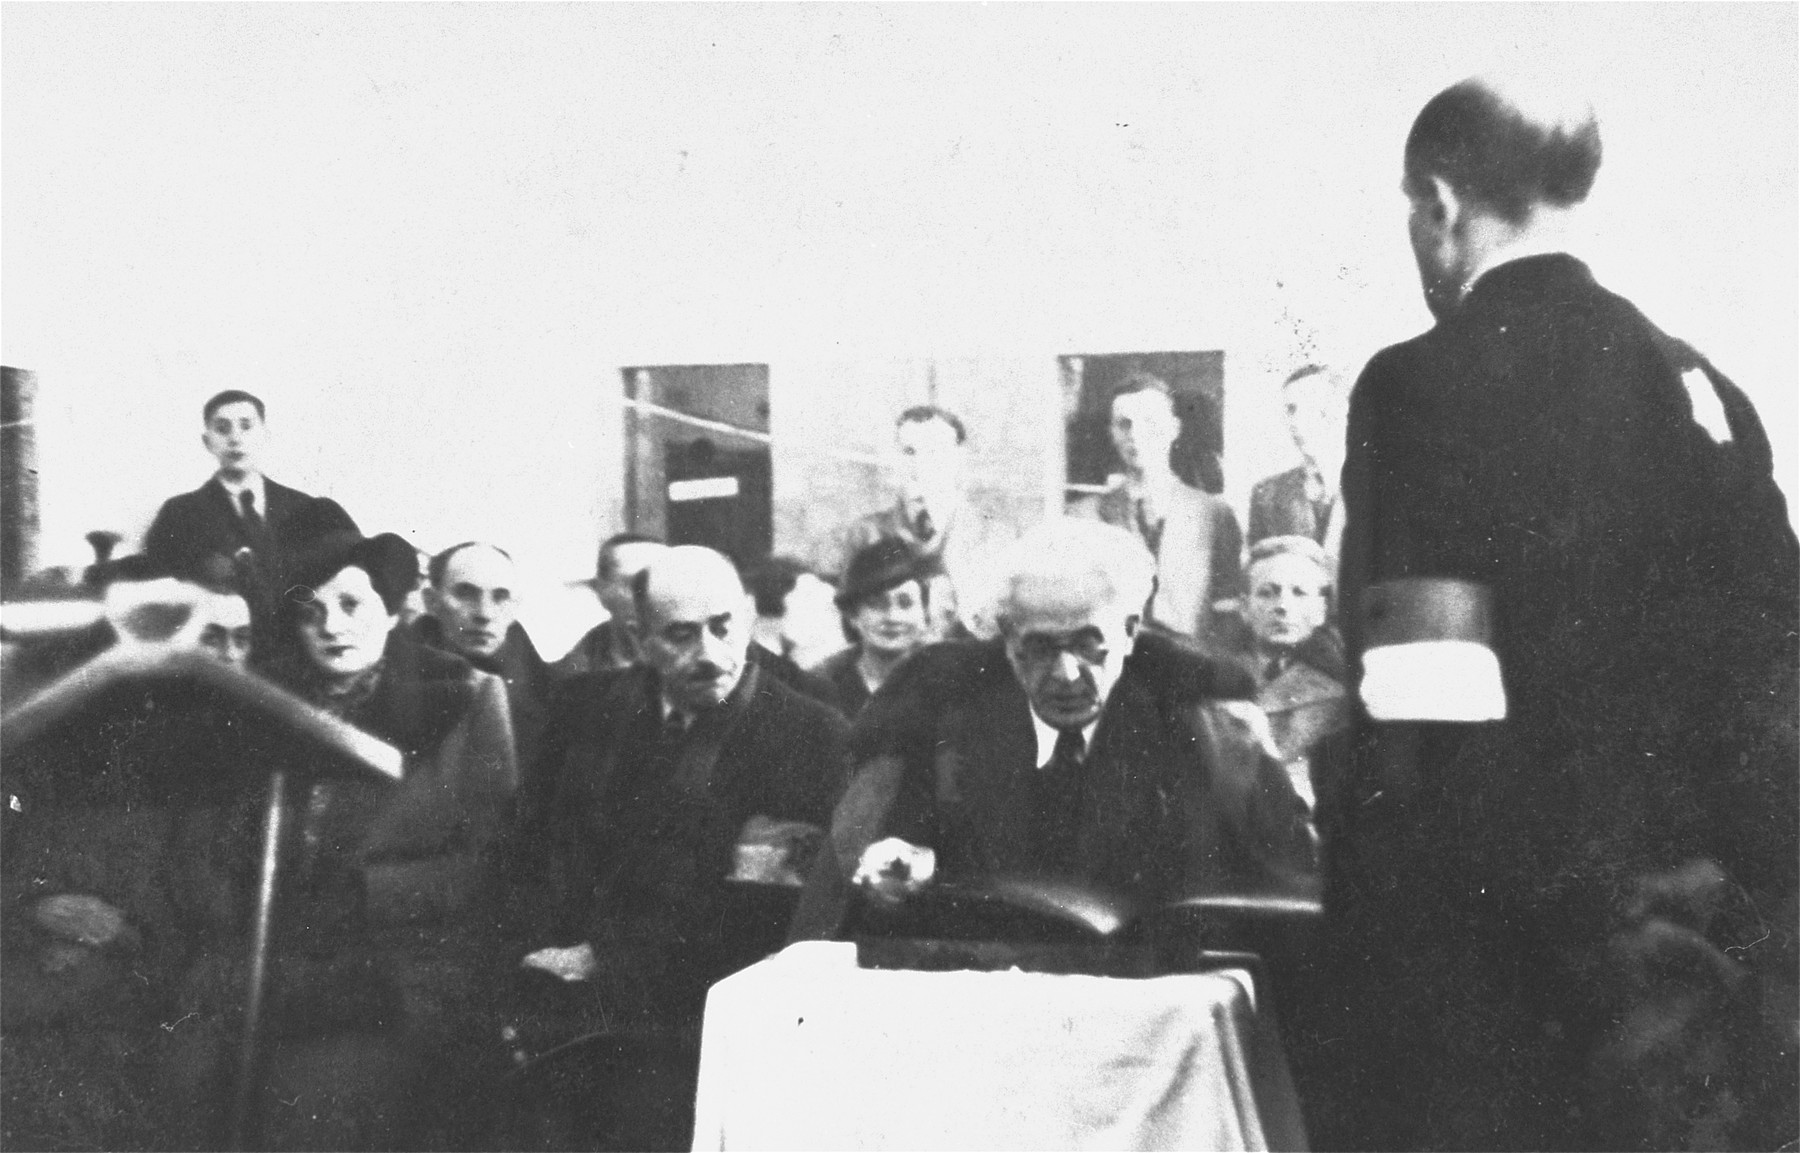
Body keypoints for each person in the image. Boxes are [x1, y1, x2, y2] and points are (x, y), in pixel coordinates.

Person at [1298, 76, 1800, 1152]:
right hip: (1698, 967)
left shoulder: (1417, 385)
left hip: (1507, 983)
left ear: (1438, 203)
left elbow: (1422, 701)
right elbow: (1777, 682)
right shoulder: (1705, 386)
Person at [789, 518, 1315, 943]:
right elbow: (884, 858)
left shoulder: (1213, 738)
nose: (1065, 675)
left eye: (1090, 645)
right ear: (1007, 638)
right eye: (1039, 648)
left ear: (1131, 633)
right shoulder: (943, 726)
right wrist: (901, 860)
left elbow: (1286, 893)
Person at [505, 546, 850, 1149]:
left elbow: (762, 914)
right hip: (568, 1022)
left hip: (710, 1030)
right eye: (682, 636)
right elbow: (525, 850)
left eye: (722, 628)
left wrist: (604, 957)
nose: (711, 655)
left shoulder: (811, 736)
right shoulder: (584, 709)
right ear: (638, 638)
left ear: (747, 614)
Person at [222, 529, 518, 1150]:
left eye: (352, 605)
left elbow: (494, 854)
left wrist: (370, 891)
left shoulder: (462, 696)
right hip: (276, 960)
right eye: (312, 612)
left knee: (319, 1103)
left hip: (401, 970)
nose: (332, 626)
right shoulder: (265, 701)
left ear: (391, 612)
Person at [142, 390, 358, 637]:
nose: (235, 439)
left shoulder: (308, 509)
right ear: (207, 441)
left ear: (265, 435)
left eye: (246, 427)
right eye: (222, 429)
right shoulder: (180, 514)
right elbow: (161, 590)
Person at [1072, 373, 1243, 643]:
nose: (1136, 434)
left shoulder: (1215, 516)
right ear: (1112, 433)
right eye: (1124, 424)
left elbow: (1227, 615)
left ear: (1174, 428)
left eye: (1150, 422)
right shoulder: (1083, 517)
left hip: (1188, 670)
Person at [831, 405, 1014, 640]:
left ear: (960, 456)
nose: (920, 463)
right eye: (909, 451)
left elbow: (1004, 624)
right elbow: (851, 621)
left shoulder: (997, 535)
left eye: (934, 450)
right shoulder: (867, 533)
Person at [1229, 535, 1347, 811]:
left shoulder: (1341, 695)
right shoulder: (1212, 681)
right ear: (1244, 608)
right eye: (1267, 592)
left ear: (1320, 610)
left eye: (1299, 593)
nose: (1282, 606)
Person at [416, 540, 555, 773]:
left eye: (500, 597)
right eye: (465, 594)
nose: (484, 613)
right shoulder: (394, 676)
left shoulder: (551, 693)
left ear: (515, 607)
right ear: (431, 601)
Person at [808, 537, 939, 717]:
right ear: (853, 615)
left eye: (906, 603)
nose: (893, 617)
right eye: (877, 604)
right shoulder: (822, 687)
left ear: (924, 612)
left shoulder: (947, 681)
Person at [1247, 365, 1350, 567]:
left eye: (1312, 407)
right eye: (1290, 410)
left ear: (1342, 411)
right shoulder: (1267, 494)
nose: (1294, 422)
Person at [552, 532, 667, 676]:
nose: (653, 597)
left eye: (664, 585)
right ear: (602, 591)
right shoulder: (571, 679)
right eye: (636, 584)